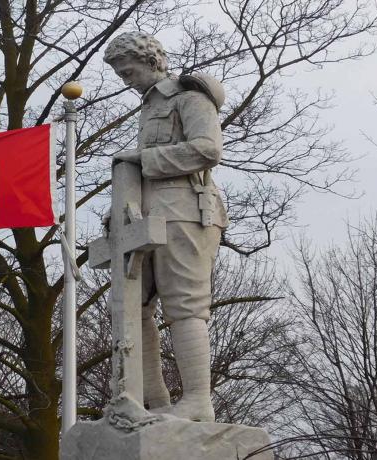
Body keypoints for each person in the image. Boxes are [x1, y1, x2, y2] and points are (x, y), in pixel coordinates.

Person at [103, 31, 228, 422]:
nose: (127, 79)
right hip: (145, 217)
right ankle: (152, 403)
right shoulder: (147, 108)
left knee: (185, 305)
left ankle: (197, 403)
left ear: (152, 61)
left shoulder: (190, 97)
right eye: (121, 74)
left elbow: (208, 149)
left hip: (186, 210)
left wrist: (144, 158)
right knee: (126, 305)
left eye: (129, 71)